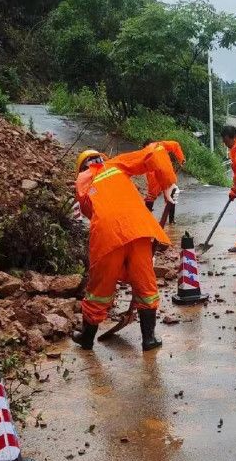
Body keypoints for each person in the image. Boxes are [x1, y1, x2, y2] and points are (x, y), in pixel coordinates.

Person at [72, 148, 179, 351]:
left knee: (99, 290)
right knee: (145, 284)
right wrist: (168, 183)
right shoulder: (115, 165)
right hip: (137, 229)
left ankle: (86, 338)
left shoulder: (82, 180)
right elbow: (155, 150)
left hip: (108, 234)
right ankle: (149, 339)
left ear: (81, 167)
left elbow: (90, 212)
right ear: (102, 159)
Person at [141, 139, 186, 223]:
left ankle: (147, 221)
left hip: (154, 174)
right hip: (167, 173)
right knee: (171, 196)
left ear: (146, 145)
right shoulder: (162, 144)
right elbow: (176, 145)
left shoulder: (146, 150)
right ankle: (171, 221)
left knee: (151, 196)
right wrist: (181, 159)